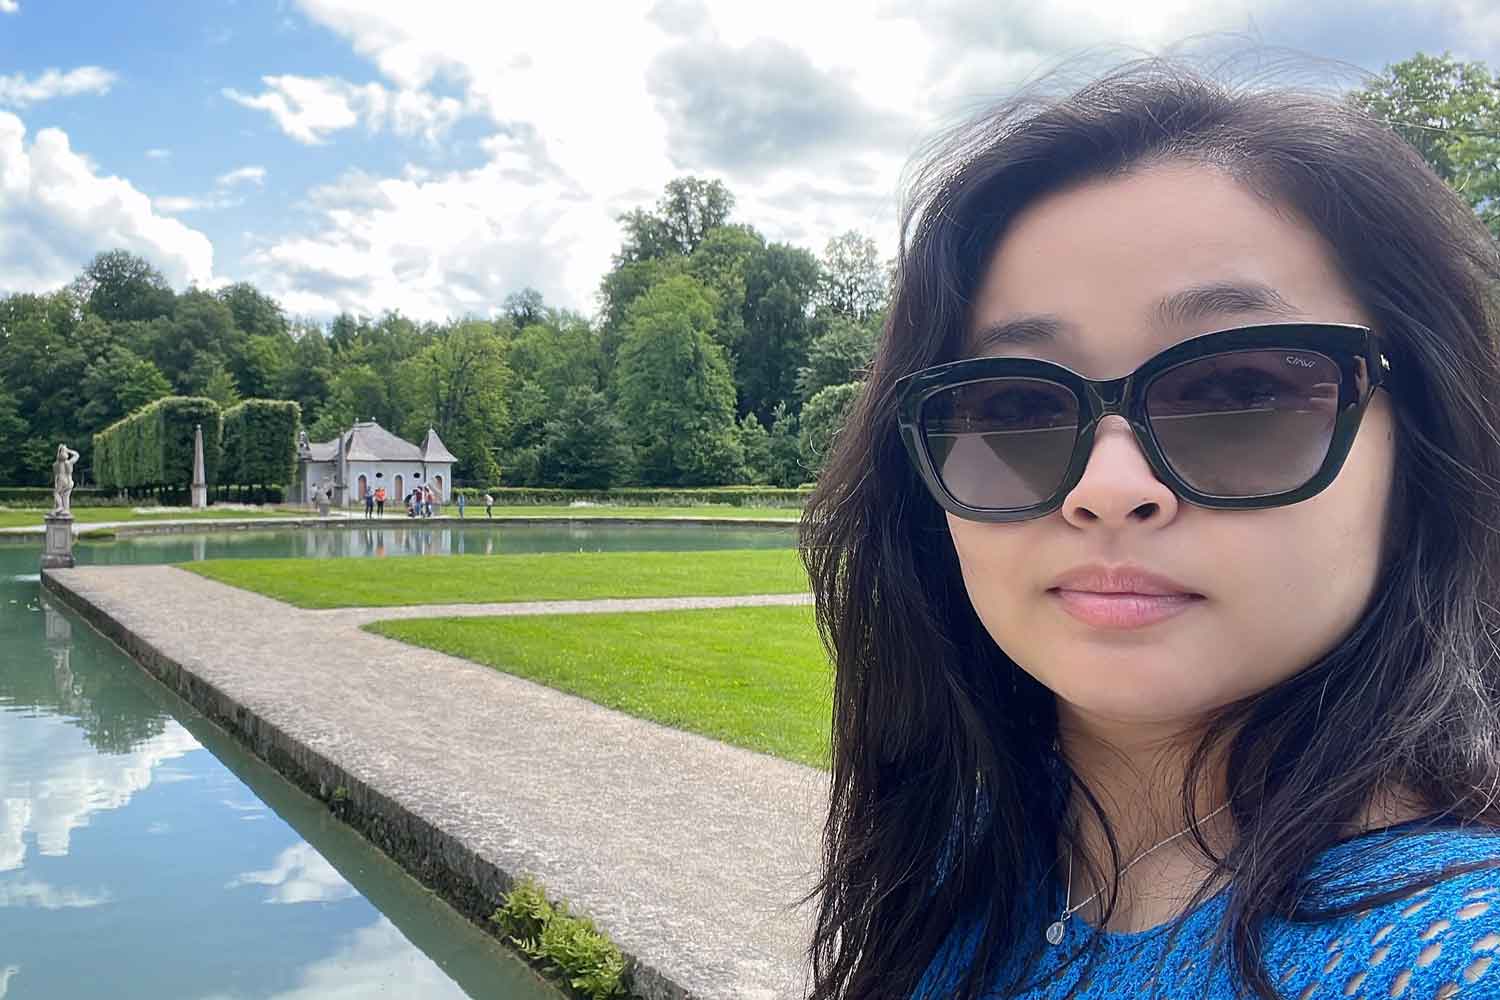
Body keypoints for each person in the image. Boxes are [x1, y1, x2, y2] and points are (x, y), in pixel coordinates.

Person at [800, 60, 1500, 1000]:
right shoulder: (958, 857)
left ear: (1422, 444)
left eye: (1243, 391)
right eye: (1013, 404)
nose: (1107, 487)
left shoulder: (1450, 953)